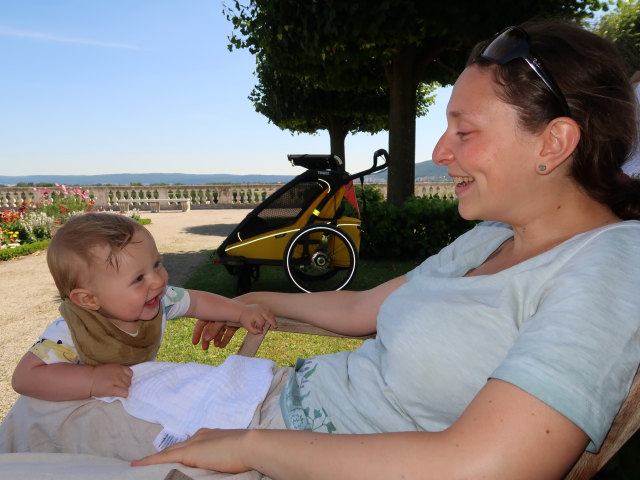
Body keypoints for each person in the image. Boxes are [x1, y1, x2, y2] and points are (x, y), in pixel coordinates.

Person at [1, 19, 639, 479]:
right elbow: (364, 310)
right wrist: (246, 303)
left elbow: (487, 465)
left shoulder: (609, 268)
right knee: (34, 419)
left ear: (553, 144)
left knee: (32, 442)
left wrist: (250, 448)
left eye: (463, 131)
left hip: (286, 448)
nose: (441, 153)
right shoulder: (495, 237)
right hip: (275, 398)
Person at [10, 212, 276, 401]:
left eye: (157, 264)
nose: (158, 280)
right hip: (69, 411)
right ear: (89, 300)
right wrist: (91, 380)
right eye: (138, 278)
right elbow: (25, 378)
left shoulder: (159, 299)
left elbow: (198, 302)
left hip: (122, 405)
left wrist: (240, 311)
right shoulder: (72, 330)